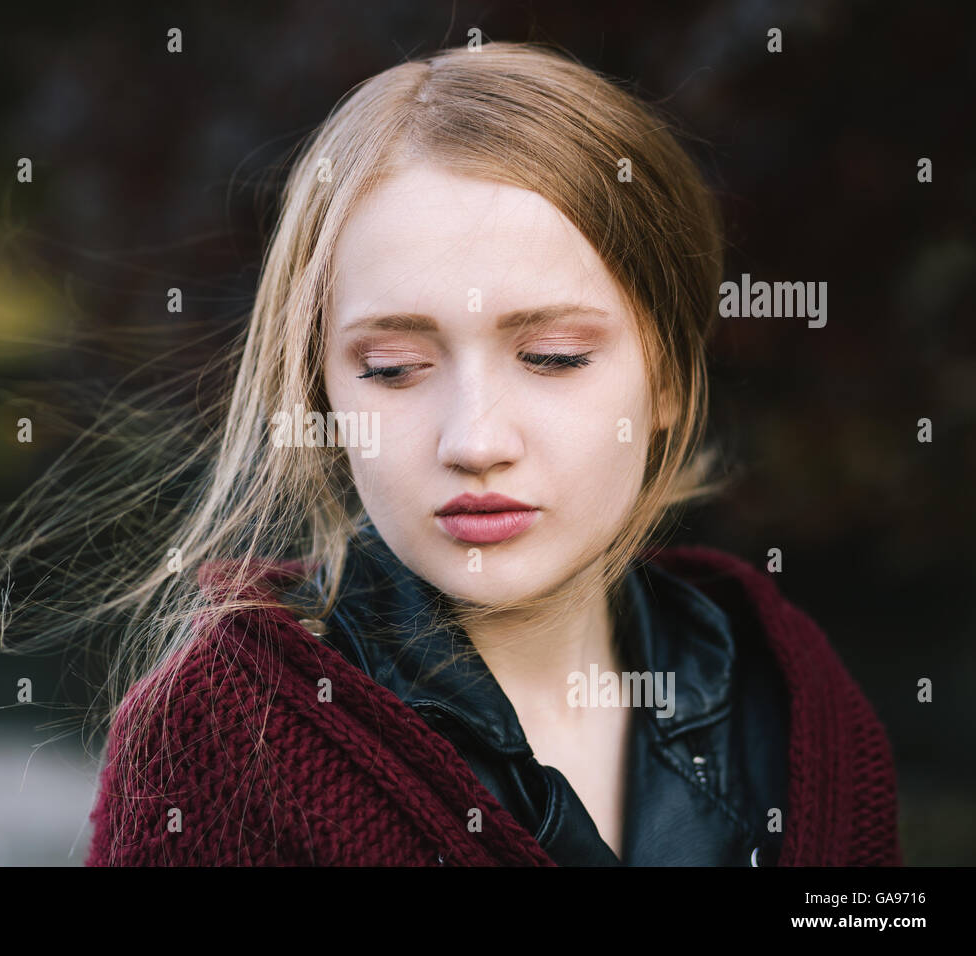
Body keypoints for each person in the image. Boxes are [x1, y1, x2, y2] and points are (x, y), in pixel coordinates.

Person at [71, 40, 902, 866]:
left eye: (553, 358)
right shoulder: (218, 739)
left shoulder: (798, 706)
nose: (475, 442)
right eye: (394, 370)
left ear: (671, 381)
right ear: (323, 394)